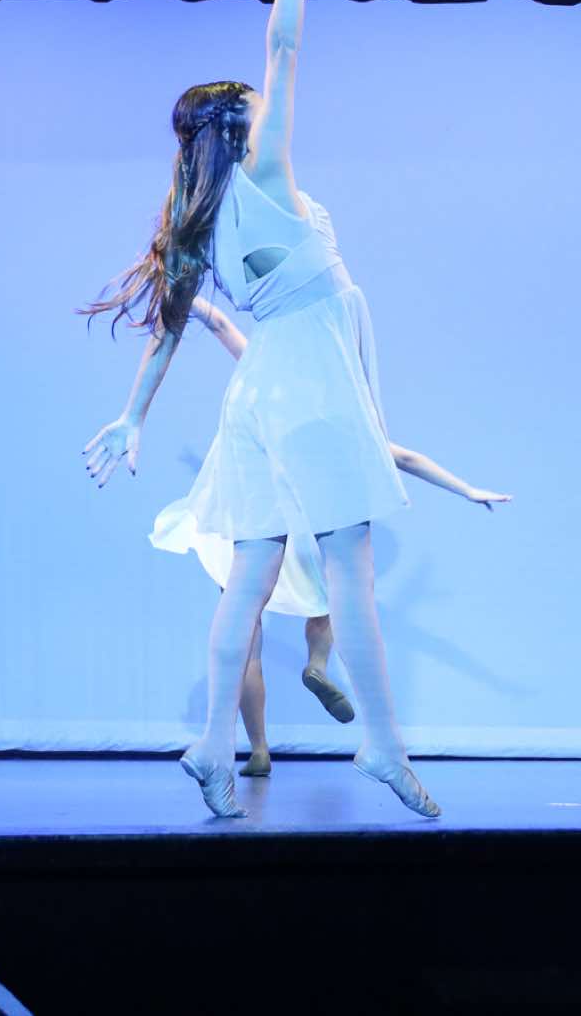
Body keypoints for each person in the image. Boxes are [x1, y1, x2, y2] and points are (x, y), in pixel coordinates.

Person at [82, 0, 446, 818]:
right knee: (350, 566)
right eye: (252, 99)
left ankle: (213, 744)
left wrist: (131, 417)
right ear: (239, 122)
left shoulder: (197, 217)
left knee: (249, 577)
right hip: (309, 377)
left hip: (257, 395)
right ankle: (382, 743)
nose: (263, 97)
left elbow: (170, 330)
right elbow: (283, 47)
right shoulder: (266, 168)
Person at [166, 294, 509, 778]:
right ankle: (317, 663)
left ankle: (259, 749)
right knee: (328, 601)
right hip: (297, 531)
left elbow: (220, 322)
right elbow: (404, 457)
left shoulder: (262, 379)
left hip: (247, 526)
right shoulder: (329, 415)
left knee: (246, 636)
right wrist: (466, 489)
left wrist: (184, 290)